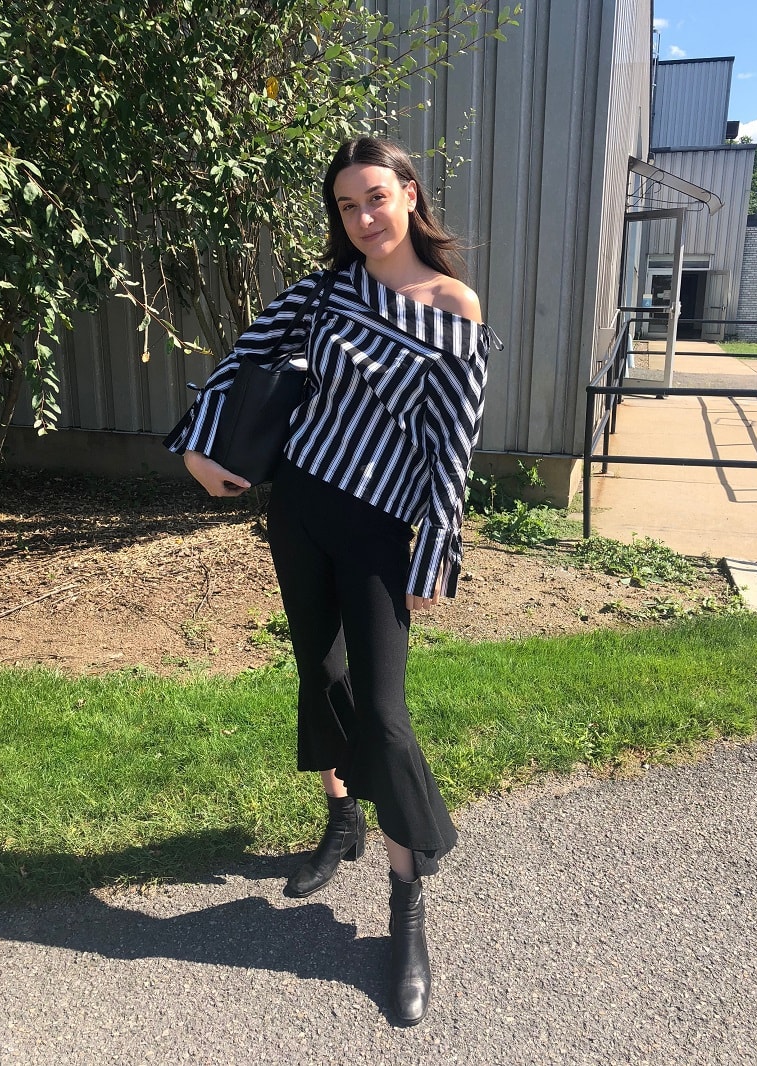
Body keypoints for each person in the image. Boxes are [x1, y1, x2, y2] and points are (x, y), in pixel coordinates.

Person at [165, 136, 497, 1026]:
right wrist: (196, 445)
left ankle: (407, 899)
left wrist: (436, 551)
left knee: (384, 713)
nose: (363, 218)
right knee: (322, 673)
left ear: (409, 194)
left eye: (376, 198)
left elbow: (449, 448)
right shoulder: (323, 291)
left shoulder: (452, 307)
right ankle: (342, 819)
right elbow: (245, 358)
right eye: (347, 206)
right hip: (302, 507)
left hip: (381, 528)